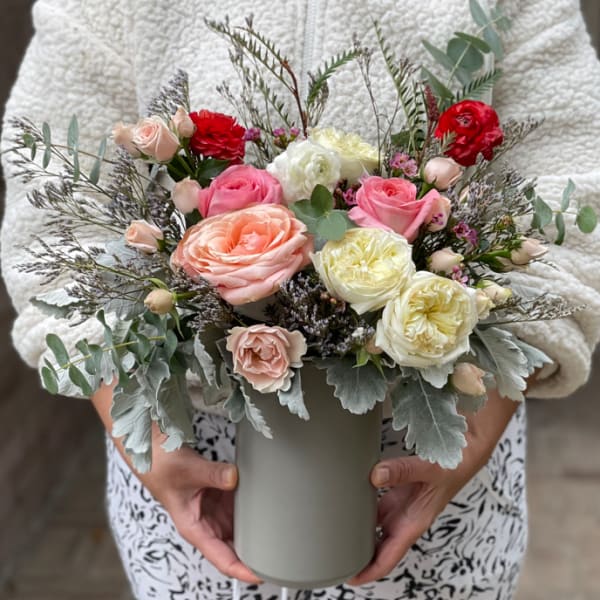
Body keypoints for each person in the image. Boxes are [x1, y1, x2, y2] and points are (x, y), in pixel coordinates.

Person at [2, 1, 600, 599]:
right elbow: (52, 212)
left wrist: (475, 431)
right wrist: (141, 434)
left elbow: (570, 188)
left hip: (433, 454)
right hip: (187, 451)